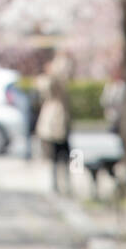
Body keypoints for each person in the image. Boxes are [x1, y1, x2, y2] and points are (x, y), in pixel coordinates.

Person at [35, 54, 72, 194]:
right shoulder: (49, 82)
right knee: (56, 155)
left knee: (70, 154)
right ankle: (57, 183)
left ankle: (68, 181)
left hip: (62, 123)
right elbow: (48, 85)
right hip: (55, 124)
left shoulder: (59, 81)